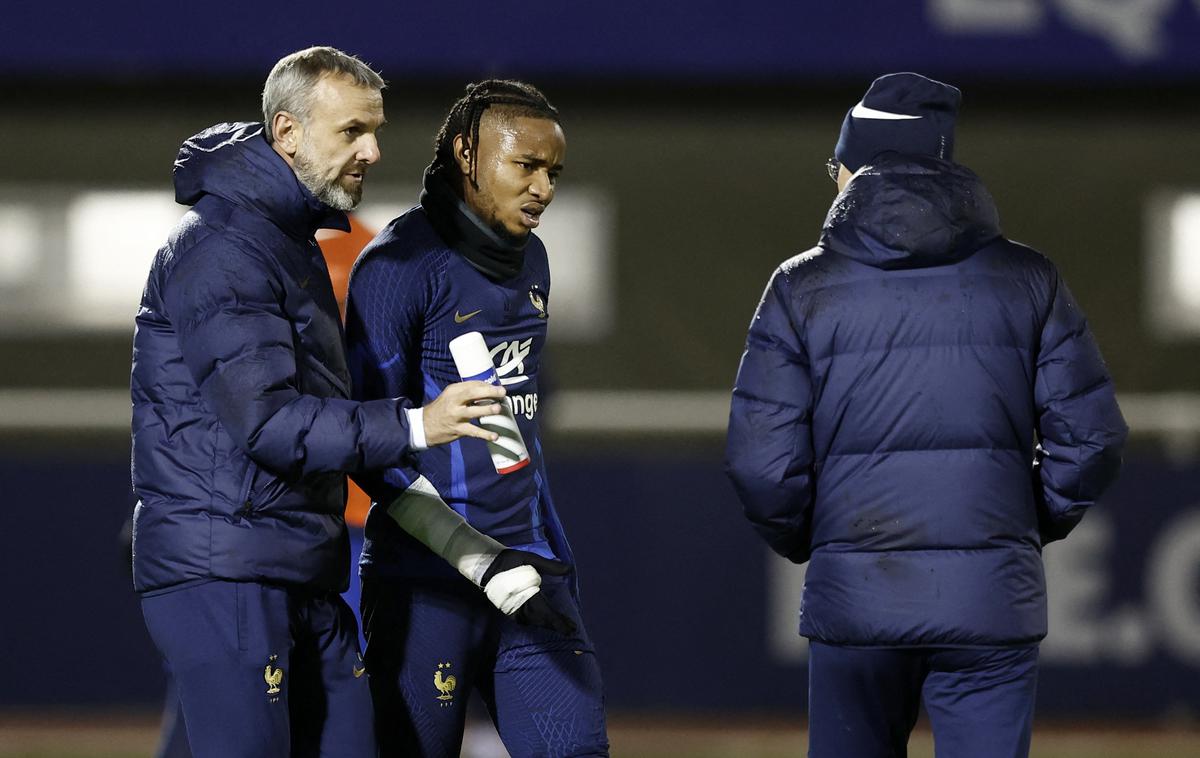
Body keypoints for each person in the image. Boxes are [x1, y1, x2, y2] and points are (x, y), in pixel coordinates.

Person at [725, 72, 1128, 758]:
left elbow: (760, 464)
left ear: (858, 165)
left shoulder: (801, 287)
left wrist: (823, 542)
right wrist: (1021, 524)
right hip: (990, 603)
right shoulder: (1030, 280)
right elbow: (1092, 438)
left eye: (837, 164)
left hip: (856, 604)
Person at [130, 47, 514, 758]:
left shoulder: (288, 244)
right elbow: (268, 421)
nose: (372, 149)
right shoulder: (224, 252)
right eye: (352, 131)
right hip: (232, 566)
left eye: (376, 128)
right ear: (287, 133)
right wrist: (415, 424)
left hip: (294, 561)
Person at [344, 80, 610, 757]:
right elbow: (369, 442)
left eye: (554, 172)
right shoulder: (398, 267)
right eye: (526, 165)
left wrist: (548, 554)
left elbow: (517, 427)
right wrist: (476, 558)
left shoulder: (535, 262)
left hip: (531, 571)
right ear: (467, 153)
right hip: (425, 580)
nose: (544, 187)